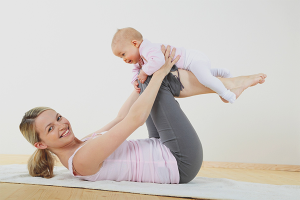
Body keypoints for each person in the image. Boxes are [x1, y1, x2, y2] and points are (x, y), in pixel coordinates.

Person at [19, 46, 266, 184]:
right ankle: (228, 86)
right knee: (161, 81)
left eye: (58, 117)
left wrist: (141, 80)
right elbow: (134, 120)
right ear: (40, 143)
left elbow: (119, 118)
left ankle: (226, 87)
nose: (61, 125)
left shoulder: (82, 143)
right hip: (180, 162)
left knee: (151, 82)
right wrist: (158, 74)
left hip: (163, 148)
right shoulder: (81, 160)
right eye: (51, 128)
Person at [112, 27, 242, 103]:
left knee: (204, 79)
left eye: (123, 54)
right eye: (120, 57)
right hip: (190, 64)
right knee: (200, 75)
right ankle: (221, 72)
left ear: (135, 43)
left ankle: (226, 94)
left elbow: (158, 61)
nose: (123, 59)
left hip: (191, 59)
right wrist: (135, 80)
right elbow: (137, 71)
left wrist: (144, 72)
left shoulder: (147, 48)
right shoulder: (139, 59)